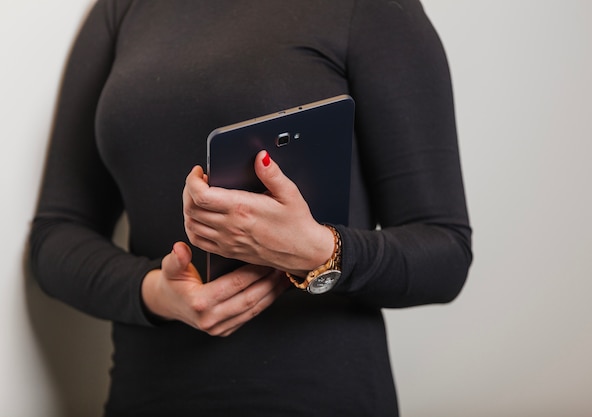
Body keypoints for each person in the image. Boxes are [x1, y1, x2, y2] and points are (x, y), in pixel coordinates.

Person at [29, 0, 472, 415]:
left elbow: (445, 250)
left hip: (317, 398)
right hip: (146, 396)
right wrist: (156, 295)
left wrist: (322, 252)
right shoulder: (123, 8)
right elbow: (56, 235)